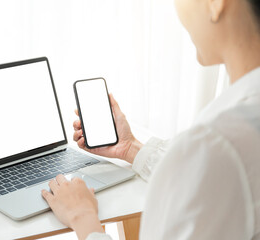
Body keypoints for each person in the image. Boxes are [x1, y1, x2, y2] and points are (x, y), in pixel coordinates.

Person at [41, 0, 260, 239]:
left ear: (216, 4)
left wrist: (83, 218)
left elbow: (205, 169)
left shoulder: (217, 145)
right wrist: (130, 148)